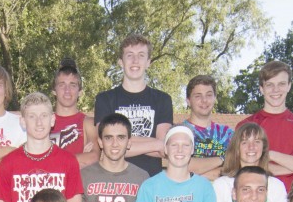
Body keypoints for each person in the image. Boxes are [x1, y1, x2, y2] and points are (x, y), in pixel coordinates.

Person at [0, 92, 83, 202]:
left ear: (52, 119)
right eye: (32, 116)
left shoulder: (68, 161)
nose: (39, 122)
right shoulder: (8, 163)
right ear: (22, 121)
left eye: (44, 115)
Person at [94, 33, 172, 176]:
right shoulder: (105, 99)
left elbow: (164, 149)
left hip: (150, 182)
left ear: (148, 62)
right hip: (113, 181)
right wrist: (156, 143)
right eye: (129, 55)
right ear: (120, 61)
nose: (135, 60)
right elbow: (107, 147)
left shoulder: (163, 99)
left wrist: (122, 142)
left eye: (141, 55)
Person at [238, 60, 293, 192]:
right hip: (256, 199)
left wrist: (268, 155)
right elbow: (246, 166)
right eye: (270, 85)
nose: (275, 90)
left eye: (281, 84)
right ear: (261, 89)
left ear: (289, 86)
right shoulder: (246, 126)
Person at [212, 122, 290, 202]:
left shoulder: (276, 186)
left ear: (264, 147)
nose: (251, 147)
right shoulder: (220, 185)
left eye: (257, 142)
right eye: (244, 142)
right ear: (237, 148)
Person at [182, 75, 233, 180]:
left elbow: (237, 168)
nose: (204, 100)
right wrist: (223, 159)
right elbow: (183, 168)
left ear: (215, 98)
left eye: (209, 95)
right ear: (188, 101)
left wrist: (196, 172)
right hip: (190, 194)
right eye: (198, 96)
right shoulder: (179, 132)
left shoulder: (227, 134)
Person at [49, 58, 99, 167]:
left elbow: (93, 157)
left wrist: (50, 162)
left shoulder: (88, 123)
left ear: (80, 92)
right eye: (62, 85)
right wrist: (78, 159)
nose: (67, 90)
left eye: (72, 85)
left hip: (77, 183)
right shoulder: (44, 121)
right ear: (54, 91)